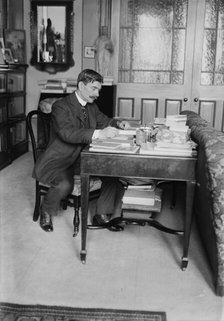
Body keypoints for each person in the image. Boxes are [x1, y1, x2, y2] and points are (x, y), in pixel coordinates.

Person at [32, 69, 130, 232]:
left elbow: (104, 121)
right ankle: (46, 210)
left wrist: (118, 123)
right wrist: (99, 133)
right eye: (94, 88)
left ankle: (101, 214)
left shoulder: (91, 106)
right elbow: (66, 133)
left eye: (99, 89)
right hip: (60, 160)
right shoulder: (61, 106)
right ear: (81, 86)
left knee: (112, 171)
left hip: (82, 158)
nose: (97, 94)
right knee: (65, 184)